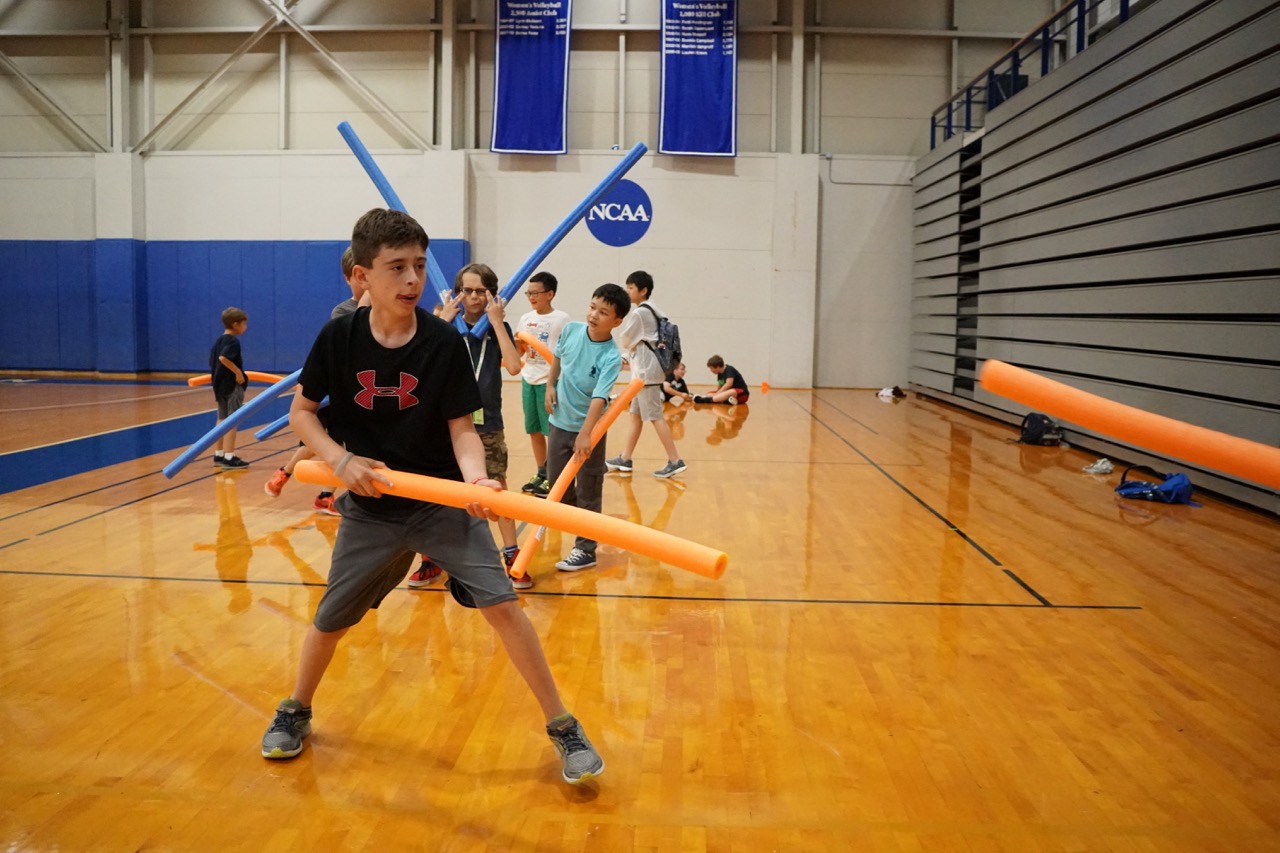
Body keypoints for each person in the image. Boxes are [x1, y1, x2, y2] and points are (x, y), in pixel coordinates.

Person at [260, 208, 604, 786]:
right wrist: (340, 460)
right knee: (331, 619)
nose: (412, 279)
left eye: (418, 265)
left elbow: (462, 429)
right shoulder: (338, 338)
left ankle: (563, 726)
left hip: (439, 503)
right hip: (370, 509)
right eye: (396, 267)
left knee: (504, 607)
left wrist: (476, 481)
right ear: (362, 275)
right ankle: (295, 709)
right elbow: (302, 413)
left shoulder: (442, 342)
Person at [408, 263, 522, 590]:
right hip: (444, 422)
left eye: (480, 291)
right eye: (466, 290)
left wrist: (497, 322)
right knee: (439, 491)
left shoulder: (498, 326)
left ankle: (512, 554)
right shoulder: (441, 324)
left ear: (492, 295)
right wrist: (442, 321)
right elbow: (418, 363)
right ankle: (431, 558)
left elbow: (515, 366)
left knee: (496, 486)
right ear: (456, 293)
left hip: (488, 422)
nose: (473, 297)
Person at [264, 247, 369, 513]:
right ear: (349, 278)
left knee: (340, 448)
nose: (366, 283)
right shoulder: (343, 311)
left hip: (360, 397)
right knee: (318, 444)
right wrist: (370, 297)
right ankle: (286, 474)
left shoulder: (386, 312)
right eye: (361, 277)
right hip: (334, 395)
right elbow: (355, 337)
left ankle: (322, 494)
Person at [543, 283, 629, 573]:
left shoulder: (611, 356)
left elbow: (599, 397)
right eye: (593, 307)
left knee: (589, 492)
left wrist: (586, 435)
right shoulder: (571, 331)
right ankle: (584, 524)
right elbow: (558, 358)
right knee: (557, 487)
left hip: (590, 432)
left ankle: (586, 549)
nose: (594, 315)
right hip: (559, 424)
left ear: (616, 321)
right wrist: (550, 385)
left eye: (603, 312)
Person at [605, 271, 687, 479]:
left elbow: (625, 340)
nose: (627, 291)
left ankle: (675, 460)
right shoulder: (654, 310)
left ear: (643, 291)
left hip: (646, 375)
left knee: (656, 417)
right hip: (645, 373)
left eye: (631, 287)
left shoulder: (640, 313)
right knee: (635, 416)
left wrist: (627, 351)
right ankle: (625, 458)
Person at [515, 271, 570, 499]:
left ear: (550, 294)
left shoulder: (562, 319)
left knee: (551, 432)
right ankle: (542, 472)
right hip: (528, 378)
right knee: (534, 429)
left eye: (536, 293)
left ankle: (554, 476)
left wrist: (555, 382)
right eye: (529, 293)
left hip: (549, 381)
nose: (531, 297)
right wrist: (518, 345)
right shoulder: (525, 319)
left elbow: (565, 352)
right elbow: (519, 352)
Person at [209, 306, 250, 469]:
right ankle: (229, 456)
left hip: (219, 386)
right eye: (244, 324)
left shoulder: (218, 341)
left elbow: (213, 361)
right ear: (235, 324)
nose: (246, 328)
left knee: (222, 419)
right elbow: (223, 358)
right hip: (232, 386)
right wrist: (238, 372)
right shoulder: (232, 341)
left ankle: (219, 454)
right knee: (233, 420)